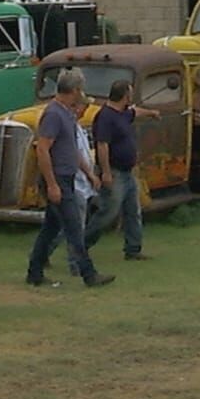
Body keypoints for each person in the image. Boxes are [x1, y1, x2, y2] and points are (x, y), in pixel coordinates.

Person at [27, 68, 114, 288]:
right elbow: (43, 149)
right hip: (58, 179)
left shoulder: (66, 113)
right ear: (74, 90)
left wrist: (87, 172)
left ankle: (34, 272)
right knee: (74, 228)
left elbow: (71, 149)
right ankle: (88, 274)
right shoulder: (54, 114)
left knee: (50, 229)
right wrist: (52, 184)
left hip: (66, 176)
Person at [84, 79, 160, 260]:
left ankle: (133, 249)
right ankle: (82, 245)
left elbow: (135, 112)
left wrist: (151, 113)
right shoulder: (106, 116)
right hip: (115, 172)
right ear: (125, 96)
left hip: (128, 172)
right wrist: (106, 172)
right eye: (130, 93)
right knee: (107, 212)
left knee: (133, 211)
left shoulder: (123, 113)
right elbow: (102, 145)